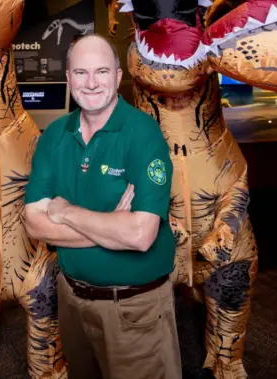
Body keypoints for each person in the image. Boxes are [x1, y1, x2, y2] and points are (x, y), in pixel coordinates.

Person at [24, 34, 179, 379]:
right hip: (72, 301)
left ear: (118, 76)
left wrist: (66, 213)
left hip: (133, 308)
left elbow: (140, 236)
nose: (91, 83)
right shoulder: (54, 135)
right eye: (80, 72)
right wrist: (112, 228)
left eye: (101, 72)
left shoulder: (143, 133)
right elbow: (33, 224)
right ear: (68, 78)